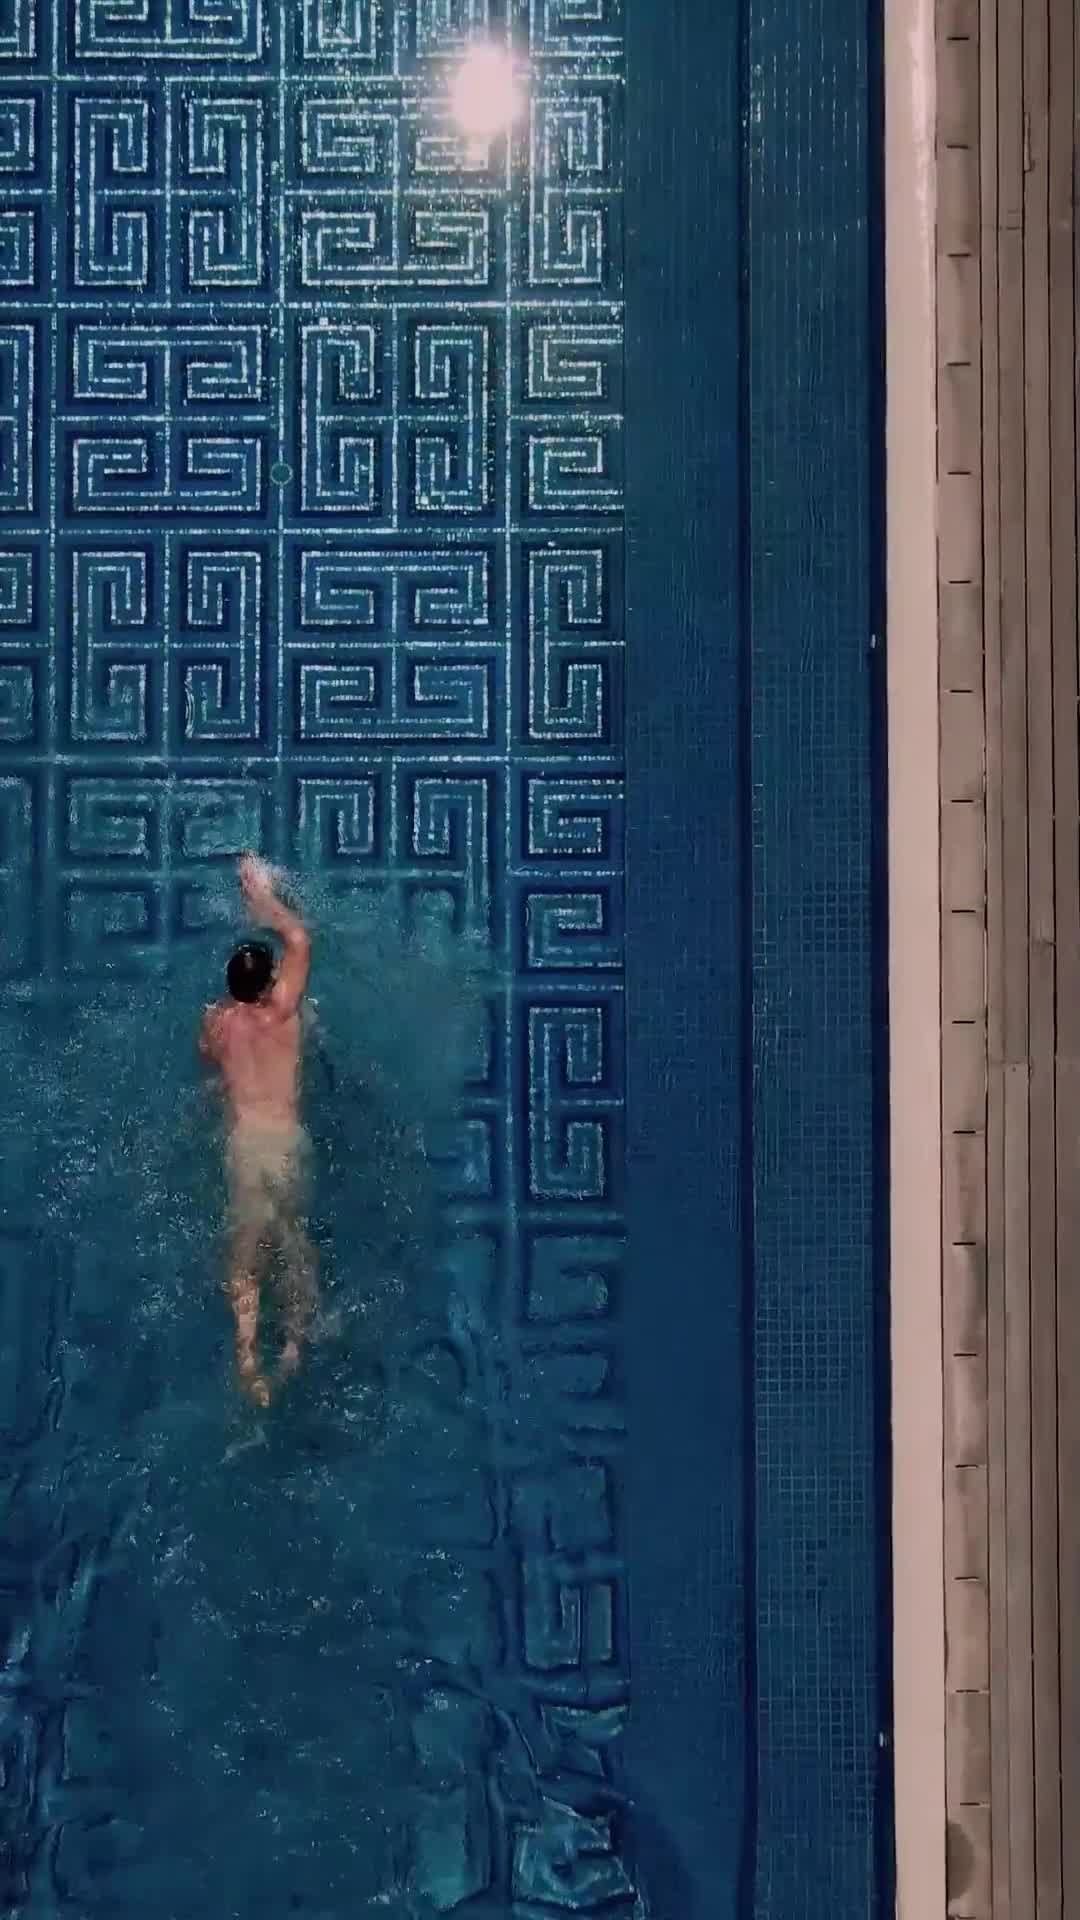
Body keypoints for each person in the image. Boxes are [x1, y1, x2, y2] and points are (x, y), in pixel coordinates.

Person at [199, 855, 316, 1408]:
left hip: (244, 1146)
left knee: (245, 1258)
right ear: (270, 983)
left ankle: (248, 1358)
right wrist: (262, 897)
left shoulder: (217, 1023)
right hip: (287, 1142)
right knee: (295, 1242)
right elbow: (299, 937)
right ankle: (291, 1348)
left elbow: (208, 1060)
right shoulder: (283, 1014)